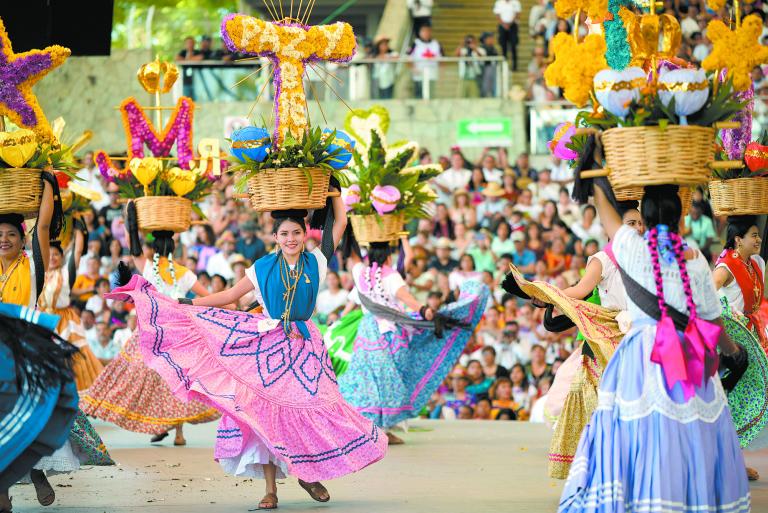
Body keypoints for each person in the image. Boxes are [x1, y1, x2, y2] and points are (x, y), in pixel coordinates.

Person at [107, 188, 388, 510]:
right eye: (285, 234)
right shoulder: (262, 267)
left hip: (306, 344)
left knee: (309, 410)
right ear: (276, 237)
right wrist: (190, 303)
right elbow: (229, 296)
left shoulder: (317, 261)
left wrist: (336, 193)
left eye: (297, 232)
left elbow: (339, 222)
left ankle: (307, 472)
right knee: (265, 415)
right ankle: (270, 490)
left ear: (304, 234)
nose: (291, 238)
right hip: (267, 345)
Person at [557, 182, 750, 512]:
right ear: (681, 219)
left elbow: (607, 215)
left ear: (643, 221)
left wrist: (596, 172)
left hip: (640, 355)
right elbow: (714, 325)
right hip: (688, 357)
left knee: (639, 432)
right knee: (688, 433)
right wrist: (733, 351)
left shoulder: (631, 249)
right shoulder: (696, 261)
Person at [0, 178, 113, 510]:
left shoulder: (33, 266)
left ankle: (36, 473)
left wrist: (48, 181)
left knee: (33, 414)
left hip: (28, 350)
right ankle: (3, 490)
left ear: (23, 240)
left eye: (11, 234)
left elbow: (44, 223)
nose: (3, 240)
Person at [81, 211, 220, 446]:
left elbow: (132, 244)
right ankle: (177, 432)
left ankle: (157, 423)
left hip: (148, 335)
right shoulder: (184, 273)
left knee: (133, 376)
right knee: (177, 381)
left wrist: (131, 218)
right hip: (177, 335)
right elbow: (208, 297)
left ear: (154, 250)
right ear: (174, 250)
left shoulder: (147, 267)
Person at [339, 240, 489, 443]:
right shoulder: (391, 276)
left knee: (367, 379)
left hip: (367, 332)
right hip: (390, 334)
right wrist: (424, 310)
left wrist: (350, 232)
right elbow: (408, 299)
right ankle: (380, 429)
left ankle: (370, 426)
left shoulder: (360, 272)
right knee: (390, 380)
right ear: (389, 256)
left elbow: (353, 257)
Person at [712, 216, 768, 481]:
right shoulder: (727, 267)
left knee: (741, 400)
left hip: (748, 337)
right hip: (729, 343)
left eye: (758, 235)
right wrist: (727, 313)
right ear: (738, 240)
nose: (758, 240)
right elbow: (707, 293)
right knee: (729, 400)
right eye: (753, 235)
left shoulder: (755, 263)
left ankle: (733, 459)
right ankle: (725, 461)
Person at [38, 226, 103, 391]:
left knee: (74, 365)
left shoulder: (66, 273)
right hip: (42, 321)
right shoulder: (37, 274)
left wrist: (78, 227)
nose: (52, 257)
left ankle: (78, 410)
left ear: (61, 257)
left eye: (56, 254)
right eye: (49, 254)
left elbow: (78, 251)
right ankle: (53, 408)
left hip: (65, 322)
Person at [408, 24, 443, 99]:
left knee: (430, 94)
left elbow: (441, 58)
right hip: (419, 74)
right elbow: (408, 57)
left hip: (432, 73)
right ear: (420, 33)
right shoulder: (416, 43)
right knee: (419, 94)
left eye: (428, 31)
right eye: (424, 31)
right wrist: (413, 68)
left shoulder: (436, 43)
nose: (426, 33)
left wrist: (442, 71)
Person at [494, 0, 522, 71]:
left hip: (513, 26)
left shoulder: (515, 2)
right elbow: (497, 15)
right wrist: (504, 24)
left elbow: (517, 14)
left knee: (513, 46)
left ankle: (514, 66)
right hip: (502, 26)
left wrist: (509, 24)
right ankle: (504, 66)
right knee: (503, 47)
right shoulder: (499, 2)